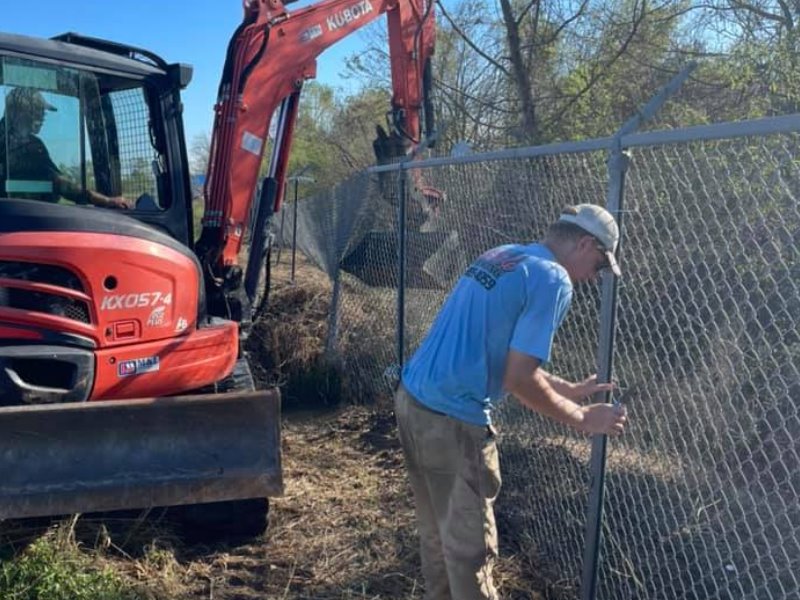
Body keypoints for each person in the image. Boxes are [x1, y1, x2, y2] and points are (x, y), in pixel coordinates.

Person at [394, 203, 629, 600]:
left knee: (438, 536)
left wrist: (565, 389)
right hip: (454, 422)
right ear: (585, 243)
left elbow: (501, 353)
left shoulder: (505, 255)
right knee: (471, 555)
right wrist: (582, 417)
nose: (594, 277)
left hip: (414, 402)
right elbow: (518, 378)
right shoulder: (554, 279)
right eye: (599, 265)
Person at [0, 87, 131, 209]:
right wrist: (106, 201)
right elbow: (61, 183)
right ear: (21, 112)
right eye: (38, 110)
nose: (42, 117)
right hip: (25, 217)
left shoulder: (17, 141)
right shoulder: (30, 145)